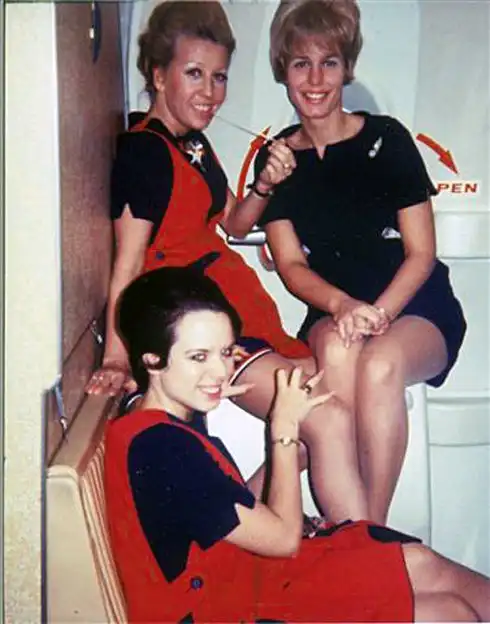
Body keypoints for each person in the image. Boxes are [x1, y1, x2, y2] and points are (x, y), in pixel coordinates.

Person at [86, 0, 371, 522]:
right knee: (326, 418)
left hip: (239, 314)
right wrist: (117, 357)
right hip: (204, 330)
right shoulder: (144, 153)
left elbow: (235, 224)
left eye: (218, 77)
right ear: (158, 75)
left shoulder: (192, 146)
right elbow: (127, 264)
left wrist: (265, 183)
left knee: (341, 399)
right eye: (194, 74)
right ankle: (364, 548)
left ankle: (248, 526)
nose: (211, 92)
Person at [105, 265, 489, 623]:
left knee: (419, 562)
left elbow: (222, 511)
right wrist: (284, 431)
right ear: (151, 360)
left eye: (225, 352)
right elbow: (283, 540)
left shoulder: (161, 417)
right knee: (447, 613)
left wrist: (290, 455)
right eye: (198, 357)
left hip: (245, 579)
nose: (220, 371)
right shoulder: (161, 448)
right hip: (228, 609)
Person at [255, 0, 467, 524]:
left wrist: (379, 314)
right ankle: (357, 535)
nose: (315, 79)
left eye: (329, 62)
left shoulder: (386, 138)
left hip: (413, 303)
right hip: (334, 308)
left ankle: (366, 530)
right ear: (284, 70)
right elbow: (290, 265)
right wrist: (344, 306)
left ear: (347, 68)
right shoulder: (279, 158)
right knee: (339, 351)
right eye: (301, 63)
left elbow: (422, 253)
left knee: (380, 364)